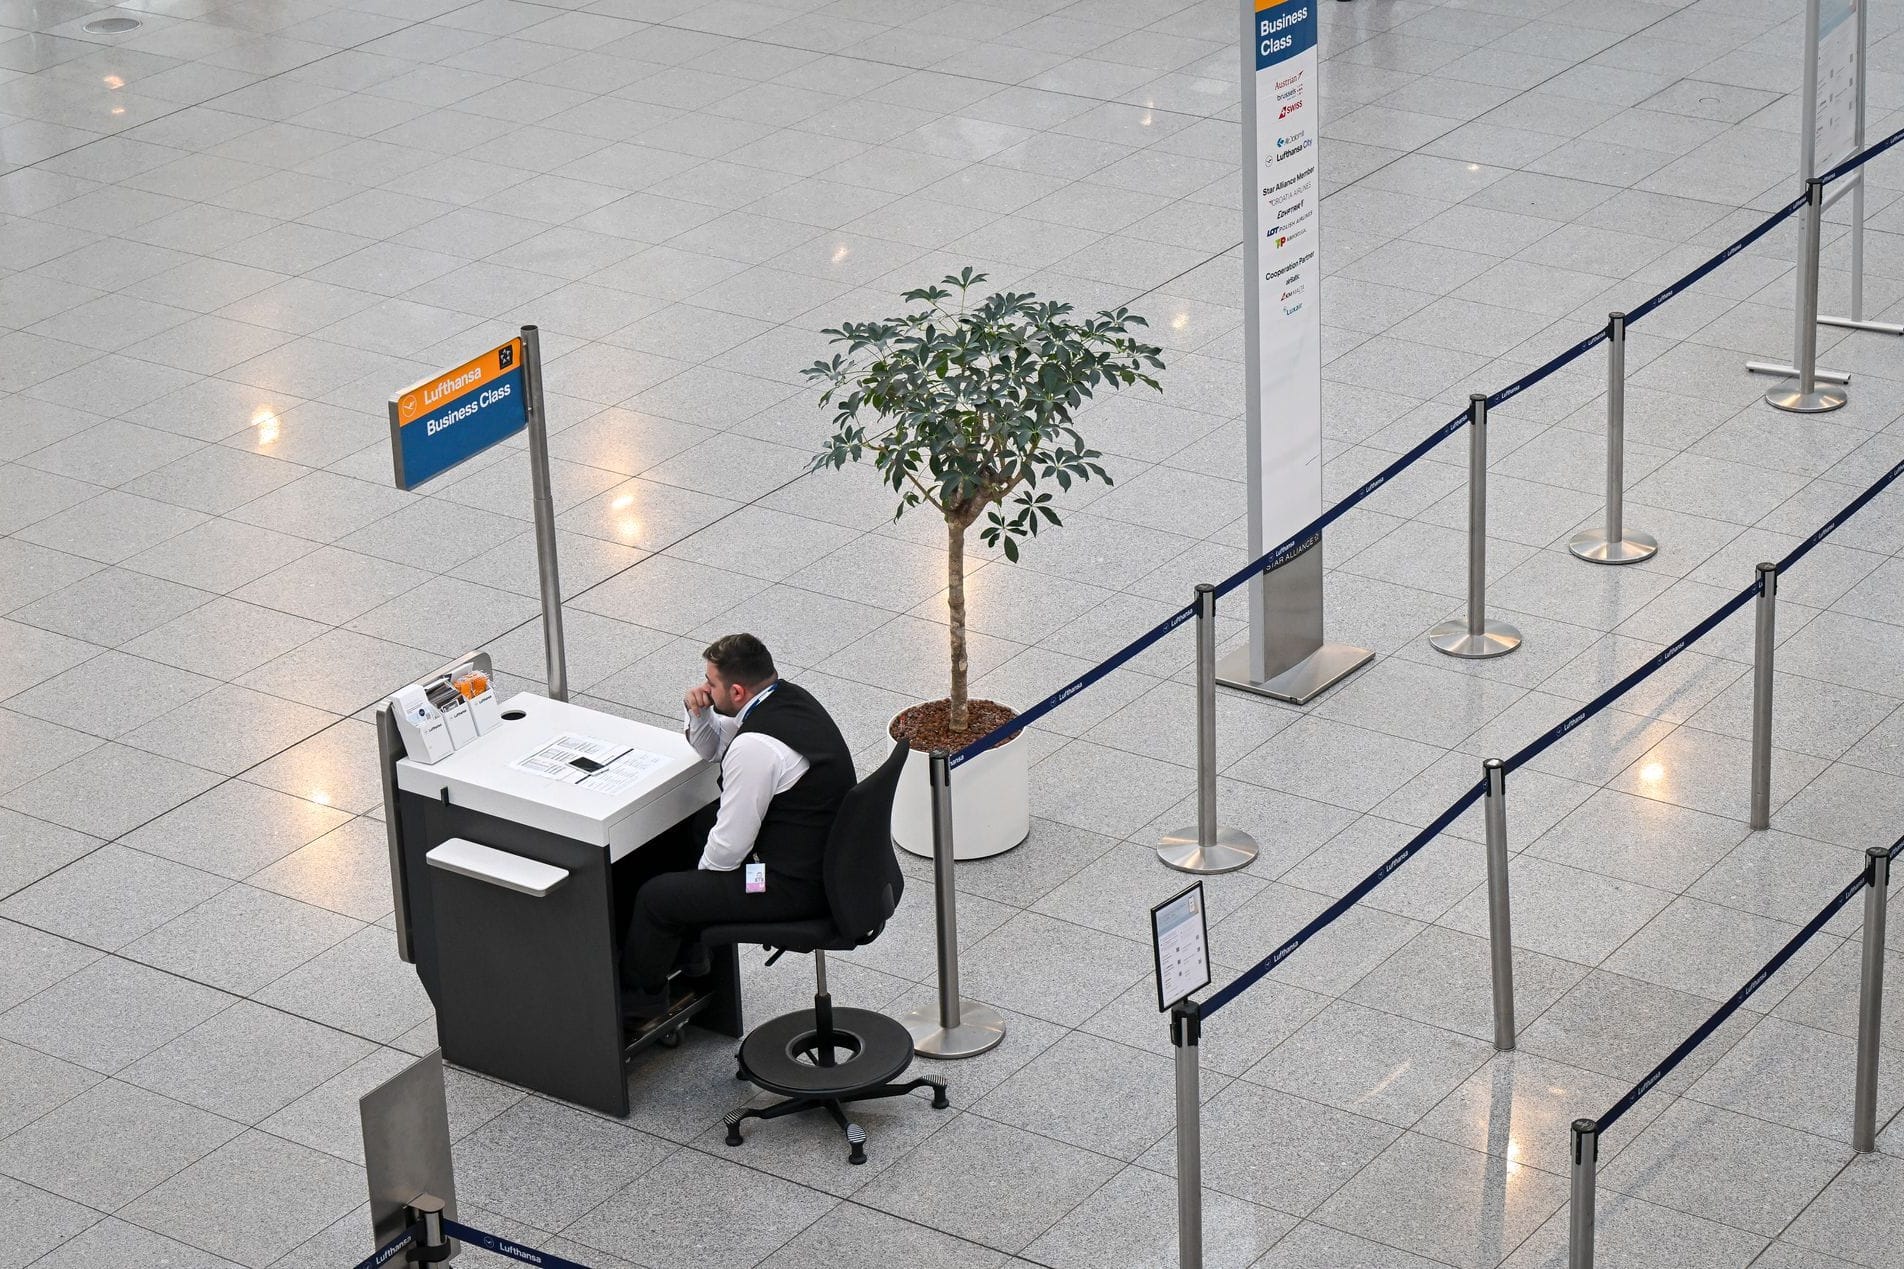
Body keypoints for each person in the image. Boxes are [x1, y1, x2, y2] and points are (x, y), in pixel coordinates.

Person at [619, 633, 856, 1023]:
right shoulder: (787, 700)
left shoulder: (756, 747)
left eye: (710, 684)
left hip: (787, 887)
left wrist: (696, 897)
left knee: (657, 898)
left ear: (738, 691)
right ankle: (692, 955)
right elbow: (714, 749)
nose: (704, 690)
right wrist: (699, 715)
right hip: (822, 865)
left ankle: (637, 1004)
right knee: (699, 826)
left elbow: (728, 851)